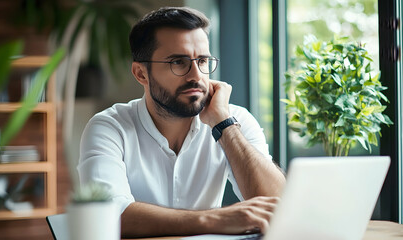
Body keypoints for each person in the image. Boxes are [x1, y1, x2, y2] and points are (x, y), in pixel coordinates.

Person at [78, 6, 286, 238]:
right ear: (141, 74)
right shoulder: (109, 127)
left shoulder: (234, 120)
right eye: (178, 62)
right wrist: (216, 219)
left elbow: (279, 206)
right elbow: (108, 215)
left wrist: (224, 125)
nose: (196, 75)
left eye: (203, 61)